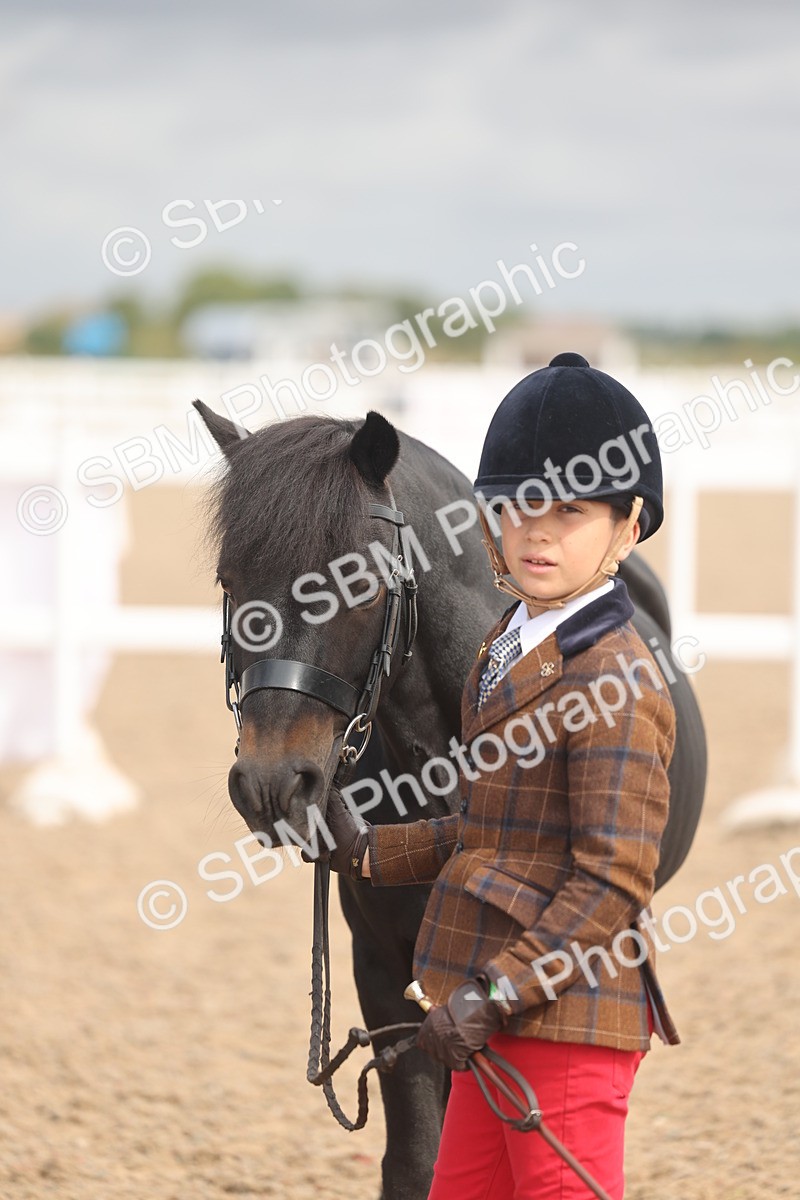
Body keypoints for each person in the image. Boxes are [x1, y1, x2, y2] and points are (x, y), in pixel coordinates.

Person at [325, 352, 679, 1199]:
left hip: (563, 1026)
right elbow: (494, 827)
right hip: (492, 1017)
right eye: (518, 507)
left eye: (571, 510)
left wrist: (494, 993)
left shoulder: (614, 679)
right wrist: (367, 850)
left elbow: (612, 879)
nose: (537, 532)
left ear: (629, 526)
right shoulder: (506, 646)